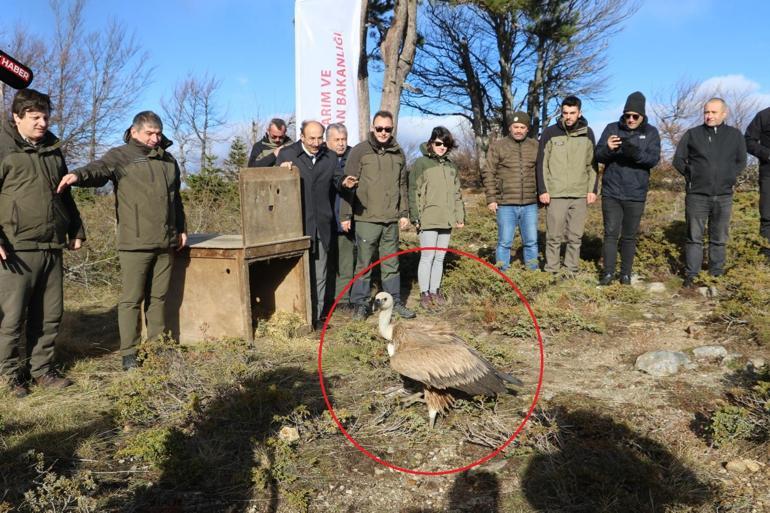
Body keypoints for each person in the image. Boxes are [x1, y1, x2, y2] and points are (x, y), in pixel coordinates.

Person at [57, 111, 187, 370]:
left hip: (166, 242)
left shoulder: (169, 160)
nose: (155, 138)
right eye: (149, 133)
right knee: (131, 299)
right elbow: (98, 169)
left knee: (159, 298)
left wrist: (181, 229)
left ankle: (157, 348)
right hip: (134, 242)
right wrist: (77, 176)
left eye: (158, 133)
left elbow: (176, 200)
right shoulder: (122, 155)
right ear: (135, 131)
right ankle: (130, 353)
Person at [0, 89, 85, 396]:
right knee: (11, 318)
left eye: (46, 116)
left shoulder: (53, 148)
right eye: (35, 117)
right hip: (14, 249)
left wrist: (76, 228)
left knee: (49, 315)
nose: (42, 123)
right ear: (16, 116)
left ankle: (42, 370)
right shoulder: (4, 147)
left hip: (51, 245)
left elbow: (65, 194)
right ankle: (9, 375)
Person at [275, 121, 354, 329]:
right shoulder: (288, 155)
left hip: (321, 224)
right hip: (296, 226)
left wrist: (345, 181)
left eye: (320, 138)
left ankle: (316, 318)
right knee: (296, 274)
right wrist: (281, 172)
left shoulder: (328, 157)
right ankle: (296, 318)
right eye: (312, 138)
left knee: (319, 274)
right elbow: (273, 186)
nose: (316, 143)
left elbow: (338, 178)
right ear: (301, 136)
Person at [339, 110, 416, 320]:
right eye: (379, 128)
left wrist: (404, 213)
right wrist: (346, 215)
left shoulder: (398, 152)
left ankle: (395, 302)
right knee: (364, 264)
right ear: (373, 128)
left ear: (392, 129)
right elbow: (348, 184)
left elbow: (402, 185)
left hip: (391, 219)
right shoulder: (359, 151)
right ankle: (361, 304)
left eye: (387, 129)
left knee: (391, 264)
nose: (383, 132)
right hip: (366, 219)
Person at [673, 98, 747, 287]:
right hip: (697, 195)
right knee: (694, 237)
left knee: (719, 238)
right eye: (706, 112)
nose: (709, 116)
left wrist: (729, 177)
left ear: (724, 113)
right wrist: (692, 175)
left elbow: (741, 161)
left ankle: (716, 274)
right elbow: (678, 160)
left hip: (723, 195)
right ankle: (692, 275)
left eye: (714, 112)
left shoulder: (735, 135)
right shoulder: (692, 134)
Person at [595, 92, 661, 285]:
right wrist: (608, 148)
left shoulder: (651, 132)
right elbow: (598, 155)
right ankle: (608, 273)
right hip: (611, 192)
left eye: (635, 116)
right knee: (610, 233)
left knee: (629, 236)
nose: (630, 119)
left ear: (642, 115)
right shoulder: (611, 128)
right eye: (627, 115)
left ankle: (625, 274)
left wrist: (635, 153)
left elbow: (653, 160)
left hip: (636, 193)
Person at [536, 95, 598, 276]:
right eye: (565, 113)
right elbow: (542, 163)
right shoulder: (550, 132)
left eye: (572, 113)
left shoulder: (588, 133)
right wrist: (543, 190)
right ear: (561, 113)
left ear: (579, 113)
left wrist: (592, 190)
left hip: (579, 194)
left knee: (575, 237)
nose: (568, 116)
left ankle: (571, 269)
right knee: (554, 236)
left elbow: (592, 165)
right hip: (555, 194)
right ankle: (551, 270)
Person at [409, 126, 465, 308]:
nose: (442, 147)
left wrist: (459, 215)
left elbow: (457, 194)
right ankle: (424, 293)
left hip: (447, 218)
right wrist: (415, 216)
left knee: (440, 258)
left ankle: (435, 291)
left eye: (446, 144)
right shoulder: (421, 164)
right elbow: (413, 191)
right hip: (428, 217)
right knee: (427, 256)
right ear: (431, 143)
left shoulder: (451, 166)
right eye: (439, 143)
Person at [483, 111, 539, 271]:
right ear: (510, 127)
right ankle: (502, 274)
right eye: (516, 127)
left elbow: (542, 171)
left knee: (531, 242)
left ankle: (533, 275)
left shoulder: (535, 146)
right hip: (505, 203)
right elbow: (488, 172)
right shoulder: (498, 146)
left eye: (522, 127)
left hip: (530, 203)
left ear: (527, 129)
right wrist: (491, 199)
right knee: (504, 242)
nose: (519, 130)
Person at [326, 123, 355, 311]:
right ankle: (326, 297)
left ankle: (342, 298)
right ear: (327, 141)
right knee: (327, 263)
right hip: (326, 219)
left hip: (346, 219)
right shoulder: (320, 159)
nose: (341, 144)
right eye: (336, 140)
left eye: (343, 139)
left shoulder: (353, 157)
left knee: (346, 260)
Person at [744, 106, 770, 262]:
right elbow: (747, 140)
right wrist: (767, 154)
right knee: (768, 217)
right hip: (769, 173)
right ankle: (766, 262)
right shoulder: (764, 115)